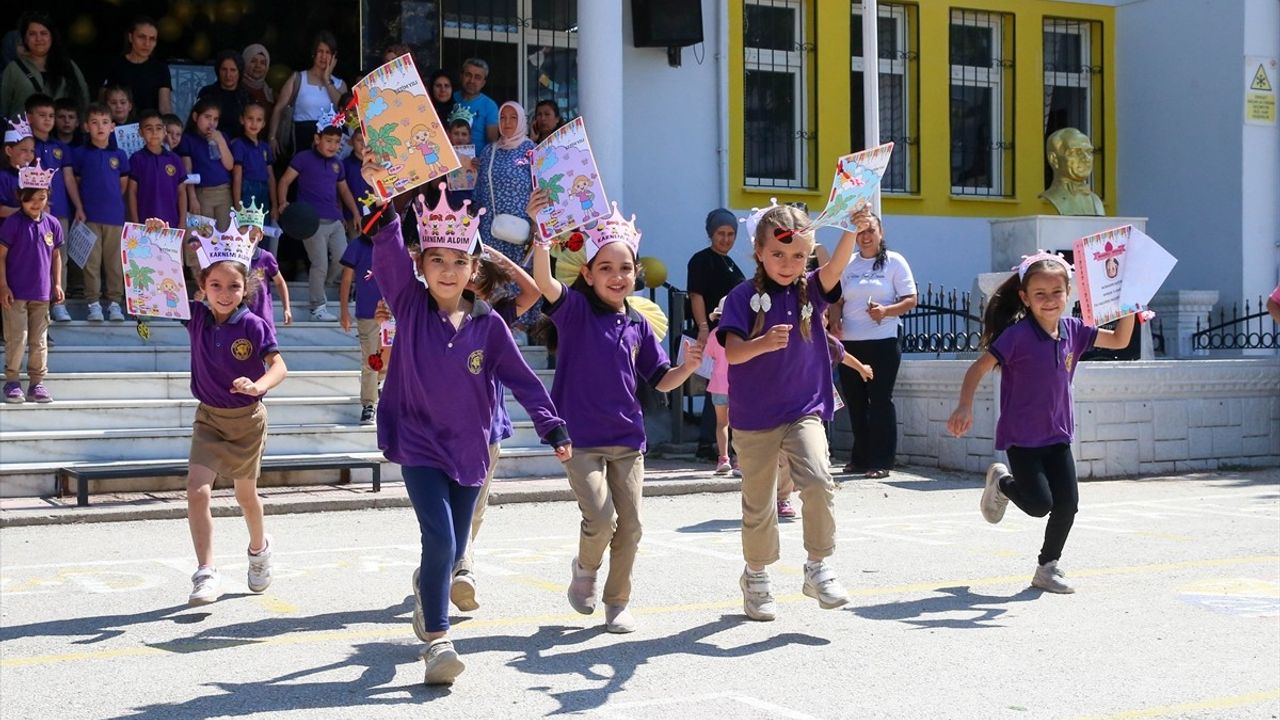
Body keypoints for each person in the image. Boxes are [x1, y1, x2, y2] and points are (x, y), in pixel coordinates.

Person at [362, 170, 571, 687]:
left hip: (471, 451)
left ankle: (425, 590)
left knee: (453, 551)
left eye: (459, 262)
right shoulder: (409, 305)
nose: (449, 271)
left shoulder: (488, 324)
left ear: (475, 268)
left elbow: (523, 380)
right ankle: (438, 640)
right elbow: (386, 244)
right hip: (418, 445)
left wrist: (553, 427)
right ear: (423, 265)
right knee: (438, 541)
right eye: (438, 260)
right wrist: (383, 196)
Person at [530, 192, 705, 634]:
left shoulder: (639, 323)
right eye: (605, 268)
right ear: (587, 273)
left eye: (625, 268)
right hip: (579, 438)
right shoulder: (572, 311)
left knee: (632, 527)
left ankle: (618, 602)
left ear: (636, 274)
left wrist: (688, 367)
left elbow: (660, 377)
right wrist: (542, 234)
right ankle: (585, 570)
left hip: (628, 440)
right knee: (602, 518)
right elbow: (545, 284)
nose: (616, 276)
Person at [947, 252, 1134, 593]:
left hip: (1058, 434)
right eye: (1040, 294)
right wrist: (964, 405)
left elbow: (1120, 340)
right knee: (1039, 505)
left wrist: (1132, 306)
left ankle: (1047, 567)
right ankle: (1003, 484)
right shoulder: (1017, 336)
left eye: (1056, 292)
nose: (1049, 301)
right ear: (1025, 298)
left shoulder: (1075, 331)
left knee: (1068, 505)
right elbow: (978, 368)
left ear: (1068, 293)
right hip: (1022, 437)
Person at [717, 203, 863, 622]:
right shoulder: (744, 296)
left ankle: (818, 566)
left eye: (799, 255)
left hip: (804, 409)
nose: (788, 263)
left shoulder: (812, 289)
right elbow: (732, 352)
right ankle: (757, 577)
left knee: (818, 480)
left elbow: (834, 268)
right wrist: (762, 343)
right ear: (759, 252)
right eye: (778, 254)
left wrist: (850, 229)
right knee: (759, 502)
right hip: (754, 417)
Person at [172, 216, 287, 605]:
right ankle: (205, 571)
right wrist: (156, 237)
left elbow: (279, 366)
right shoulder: (196, 318)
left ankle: (259, 550)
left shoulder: (253, 325)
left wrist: (258, 386)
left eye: (233, 286)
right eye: (215, 285)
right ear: (202, 286)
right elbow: (155, 286)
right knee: (196, 490)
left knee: (245, 496)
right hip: (209, 417)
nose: (224, 293)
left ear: (246, 287)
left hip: (247, 421)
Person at [829, 213, 917, 478]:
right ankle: (860, 458)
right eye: (860, 232)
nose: (865, 237)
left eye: (871, 231)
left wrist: (886, 311)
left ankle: (882, 461)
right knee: (855, 403)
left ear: (881, 233)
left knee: (879, 401)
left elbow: (911, 299)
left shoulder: (895, 262)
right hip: (850, 343)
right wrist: (834, 321)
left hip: (883, 342)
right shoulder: (849, 263)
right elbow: (836, 300)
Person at [276, 110, 359, 321]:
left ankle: (324, 286)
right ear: (317, 139)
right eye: (328, 140)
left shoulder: (337, 164)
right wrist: (283, 202)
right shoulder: (303, 158)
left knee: (344, 258)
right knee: (320, 263)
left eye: (337, 141)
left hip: (335, 220)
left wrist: (355, 213)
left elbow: (345, 191)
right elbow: (284, 180)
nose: (333, 145)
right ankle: (317, 306)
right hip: (310, 222)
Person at [0, 159, 62, 403]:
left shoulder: (53, 224)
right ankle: (12, 380)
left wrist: (57, 283)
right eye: (31, 198)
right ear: (20, 197)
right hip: (15, 292)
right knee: (17, 337)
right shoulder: (12, 224)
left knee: (39, 340)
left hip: (42, 293)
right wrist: (3, 285)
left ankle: (37, 382)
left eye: (42, 197)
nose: (37, 203)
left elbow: (56, 255)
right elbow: (1, 256)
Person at [688, 208, 746, 459]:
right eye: (721, 233)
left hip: (730, 336)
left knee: (724, 388)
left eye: (731, 234)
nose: (726, 239)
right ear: (711, 233)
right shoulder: (701, 260)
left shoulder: (731, 263)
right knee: (716, 388)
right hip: (712, 334)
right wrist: (703, 327)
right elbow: (696, 294)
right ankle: (708, 443)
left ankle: (723, 443)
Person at [473, 102, 537, 327]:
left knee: (519, 273)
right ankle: (495, 323)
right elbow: (480, 189)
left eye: (513, 118)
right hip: (491, 226)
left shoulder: (532, 151)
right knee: (493, 274)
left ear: (521, 121)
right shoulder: (489, 151)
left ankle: (520, 325)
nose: (507, 123)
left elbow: (540, 188)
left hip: (522, 226)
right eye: (503, 118)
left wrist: (536, 224)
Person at [69, 104, 129, 322]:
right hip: (89, 216)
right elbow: (76, 182)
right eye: (94, 122)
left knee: (114, 263)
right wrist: (80, 208)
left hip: (114, 216)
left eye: (105, 122)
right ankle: (93, 304)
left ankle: (115, 304)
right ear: (86, 127)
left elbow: (123, 185)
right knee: (91, 263)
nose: (100, 127)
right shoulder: (80, 154)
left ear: (113, 127)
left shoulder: (119, 155)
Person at [25, 95, 74, 322]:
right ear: (29, 117)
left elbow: (69, 179)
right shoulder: (25, 146)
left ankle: (58, 303)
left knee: (58, 257)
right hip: (33, 212)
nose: (47, 120)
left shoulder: (60, 148)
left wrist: (79, 206)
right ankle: (37, 302)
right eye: (42, 115)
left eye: (51, 116)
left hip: (60, 211)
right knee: (34, 258)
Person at [268, 32, 345, 161]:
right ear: (313, 53)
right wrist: (272, 138)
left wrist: (327, 80)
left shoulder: (339, 84)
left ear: (333, 57)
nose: (323, 56)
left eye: (328, 52)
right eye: (320, 51)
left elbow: (343, 109)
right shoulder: (298, 78)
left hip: (330, 144)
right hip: (301, 141)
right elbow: (279, 108)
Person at [1, 13, 90, 118]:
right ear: (25, 38)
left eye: (43, 33)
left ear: (52, 37)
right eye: (32, 34)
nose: (38, 38)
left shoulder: (68, 65)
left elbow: (84, 100)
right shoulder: (13, 69)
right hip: (22, 133)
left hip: (61, 133)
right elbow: (3, 107)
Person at [177, 98, 234, 256]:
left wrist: (220, 141)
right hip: (202, 193)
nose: (212, 123)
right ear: (196, 117)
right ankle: (199, 274)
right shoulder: (188, 139)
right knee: (201, 235)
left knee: (223, 236)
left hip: (224, 192)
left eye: (215, 119)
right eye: (207, 117)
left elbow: (229, 165)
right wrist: (192, 197)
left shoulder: (221, 137)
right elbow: (187, 172)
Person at [126, 110, 187, 229]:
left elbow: (181, 193)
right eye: (149, 129)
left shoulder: (174, 159)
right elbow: (132, 192)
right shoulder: (136, 159)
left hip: (171, 223)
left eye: (158, 128)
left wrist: (182, 221)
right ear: (140, 132)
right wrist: (135, 222)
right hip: (145, 223)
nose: (154, 132)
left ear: (164, 131)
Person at [236, 200, 289, 338]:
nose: (249, 241)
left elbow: (280, 282)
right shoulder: (232, 259)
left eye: (253, 237)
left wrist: (287, 308)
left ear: (261, 235)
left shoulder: (266, 257)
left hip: (263, 318)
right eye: (244, 236)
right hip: (238, 317)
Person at [101, 17, 172, 114]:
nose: (147, 43)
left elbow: (165, 107)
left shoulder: (160, 68)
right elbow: (102, 104)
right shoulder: (115, 65)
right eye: (142, 37)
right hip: (119, 126)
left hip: (150, 126)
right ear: (130, 37)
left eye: (152, 39)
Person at [1039, 127, 1105, 216]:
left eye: (1089, 151)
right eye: (1076, 152)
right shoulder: (1049, 200)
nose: (1086, 158)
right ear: (1054, 159)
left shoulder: (1096, 201)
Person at [230, 101, 277, 222]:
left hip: (264, 190)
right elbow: (237, 175)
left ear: (264, 124)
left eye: (259, 120)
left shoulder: (265, 147)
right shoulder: (239, 145)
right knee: (247, 231)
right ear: (242, 120)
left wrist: (275, 204)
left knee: (263, 229)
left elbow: (270, 177)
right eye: (250, 118)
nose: (254, 123)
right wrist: (237, 204)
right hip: (247, 190)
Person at [196, 51, 250, 137]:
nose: (228, 75)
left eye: (233, 70)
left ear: (239, 72)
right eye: (224, 69)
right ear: (218, 71)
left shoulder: (246, 97)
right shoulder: (207, 92)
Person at [452, 58, 498, 156]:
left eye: (477, 77)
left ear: (483, 82)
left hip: (477, 165)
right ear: (461, 76)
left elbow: (493, 142)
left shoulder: (490, 106)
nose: (471, 80)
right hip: (447, 162)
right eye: (468, 75)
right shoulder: (450, 99)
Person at [240, 44, 274, 117]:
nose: (258, 66)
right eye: (253, 61)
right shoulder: (236, 88)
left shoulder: (268, 91)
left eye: (263, 63)